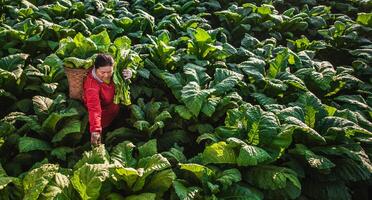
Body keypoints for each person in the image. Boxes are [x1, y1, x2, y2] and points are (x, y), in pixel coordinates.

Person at [82, 53, 132, 146]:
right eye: (102, 72)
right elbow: (94, 109)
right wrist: (95, 130)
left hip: (116, 111)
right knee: (108, 143)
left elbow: (129, 69)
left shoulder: (116, 72)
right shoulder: (91, 86)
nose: (106, 75)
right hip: (103, 121)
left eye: (109, 72)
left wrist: (130, 73)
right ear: (96, 69)